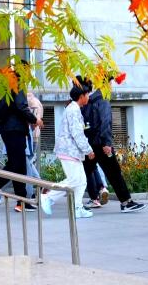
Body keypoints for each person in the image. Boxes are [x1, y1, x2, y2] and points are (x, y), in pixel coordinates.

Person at [0, 66, 43, 213]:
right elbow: (21, 107)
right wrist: (35, 120)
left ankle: (22, 201)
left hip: (8, 130)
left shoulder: (2, 87)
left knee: (19, 166)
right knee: (15, 165)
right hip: (15, 130)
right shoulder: (16, 85)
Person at [80, 76, 146, 213]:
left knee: (82, 173)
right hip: (102, 145)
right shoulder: (103, 100)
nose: (111, 86)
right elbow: (106, 122)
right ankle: (126, 202)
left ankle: (70, 199)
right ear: (105, 84)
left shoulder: (89, 101)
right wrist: (107, 143)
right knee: (114, 172)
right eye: (110, 83)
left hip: (90, 144)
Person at [40, 84, 94, 219]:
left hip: (72, 151)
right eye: (87, 94)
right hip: (68, 151)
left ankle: (77, 208)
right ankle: (48, 197)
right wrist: (88, 150)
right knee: (75, 180)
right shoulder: (73, 110)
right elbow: (77, 133)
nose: (89, 97)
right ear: (81, 96)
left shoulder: (74, 108)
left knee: (81, 181)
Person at [24, 88, 43, 198]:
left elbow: (33, 121)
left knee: (28, 163)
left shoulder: (28, 101)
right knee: (29, 162)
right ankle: (39, 184)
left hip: (29, 135)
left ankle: (39, 183)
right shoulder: (38, 102)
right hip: (36, 135)